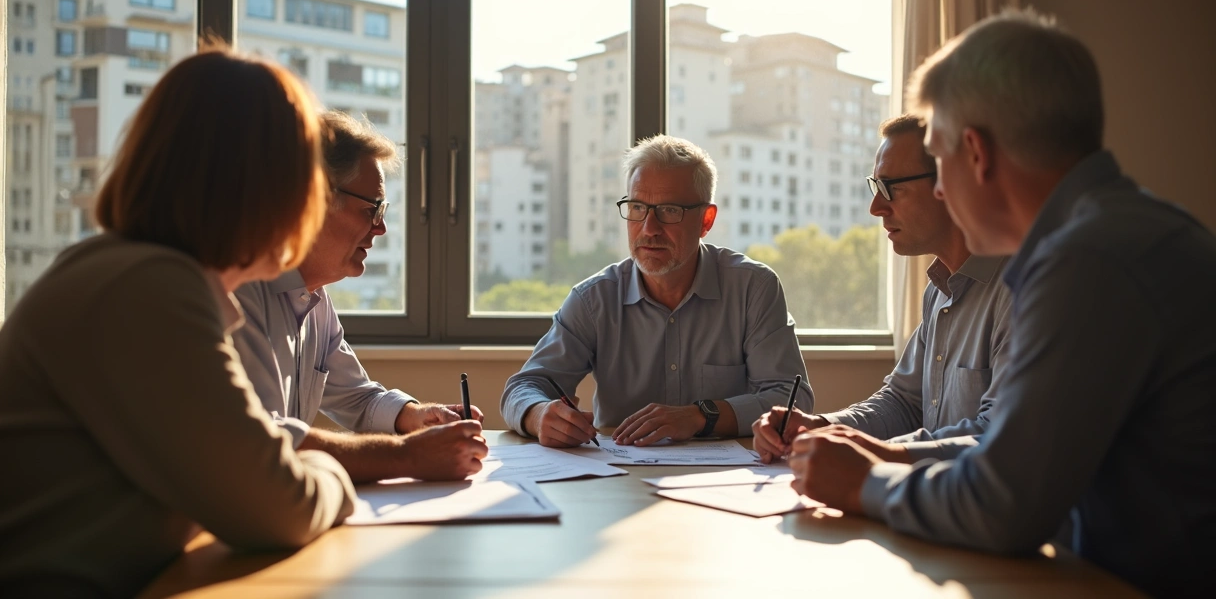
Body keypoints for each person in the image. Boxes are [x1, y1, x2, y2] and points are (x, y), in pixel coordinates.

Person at [788, 10, 1216, 597]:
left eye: (940, 162)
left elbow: (1002, 503)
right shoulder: (1124, 231)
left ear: (976, 154)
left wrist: (865, 484)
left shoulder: (1087, 261)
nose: (940, 189)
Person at [0, 46, 356, 597]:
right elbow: (275, 505)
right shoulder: (146, 287)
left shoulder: (137, 273)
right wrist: (337, 475)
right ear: (266, 187)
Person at [500, 135, 810, 448]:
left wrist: (699, 416)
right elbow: (524, 387)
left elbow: (789, 399)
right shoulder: (594, 300)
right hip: (620, 480)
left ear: (706, 220)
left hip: (725, 480)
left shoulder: (753, 289)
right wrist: (539, 415)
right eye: (637, 207)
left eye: (669, 210)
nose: (649, 228)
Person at [232, 111, 486, 484]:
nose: (380, 229)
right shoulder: (239, 294)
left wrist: (416, 416)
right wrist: (408, 456)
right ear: (313, 201)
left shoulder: (314, 298)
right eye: (372, 209)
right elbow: (260, 442)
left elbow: (357, 399)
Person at [754, 115, 1012, 464]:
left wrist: (876, 455)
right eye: (875, 187)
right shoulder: (939, 290)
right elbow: (903, 403)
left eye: (891, 187)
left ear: (949, 182)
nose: (876, 208)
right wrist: (819, 426)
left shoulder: (1017, 290)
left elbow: (997, 437)